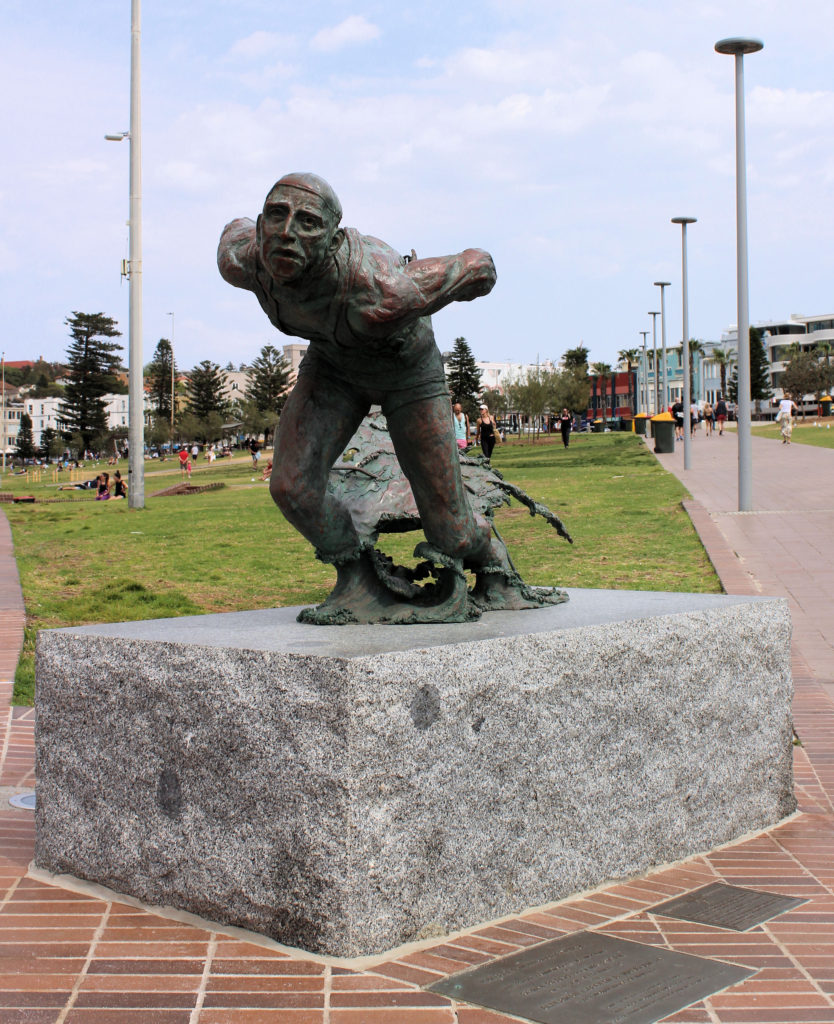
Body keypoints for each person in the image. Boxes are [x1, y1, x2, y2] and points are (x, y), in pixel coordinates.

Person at [218, 171, 537, 623]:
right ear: (260, 223)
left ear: (333, 238)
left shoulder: (379, 290)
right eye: (276, 215)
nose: (286, 232)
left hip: (407, 373)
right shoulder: (243, 259)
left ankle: (493, 560)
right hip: (332, 369)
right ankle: (361, 579)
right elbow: (230, 232)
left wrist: (464, 273)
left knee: (450, 531)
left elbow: (477, 265)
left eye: (307, 222)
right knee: (293, 487)